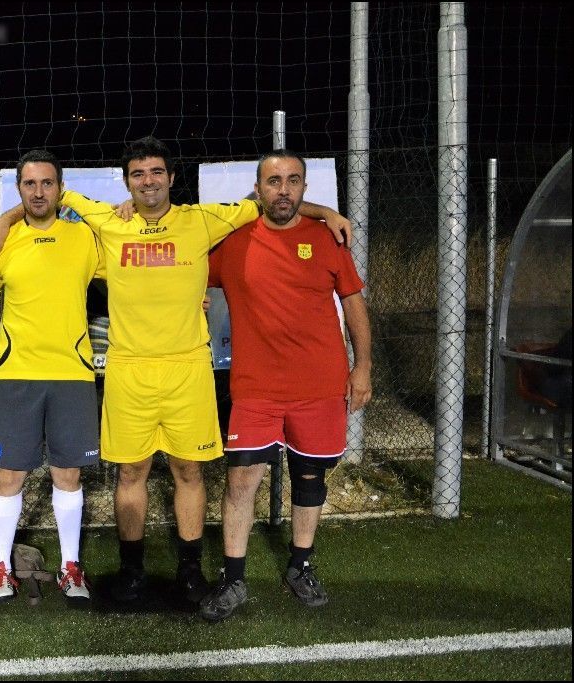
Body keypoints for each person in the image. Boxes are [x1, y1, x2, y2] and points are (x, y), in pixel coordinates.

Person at [0, 137, 351, 605]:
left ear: (172, 178)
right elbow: (40, 202)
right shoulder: (105, 221)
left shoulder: (200, 221)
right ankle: (132, 570)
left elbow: (274, 201)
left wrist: (325, 214)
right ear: (127, 181)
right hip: (129, 369)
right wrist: (3, 218)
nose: (148, 181)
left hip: (188, 369)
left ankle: (190, 570)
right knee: (132, 471)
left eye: (157, 172)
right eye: (138, 174)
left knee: (188, 470)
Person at [198, 150, 372, 622]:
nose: (284, 190)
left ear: (304, 187)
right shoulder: (232, 242)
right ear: (257, 189)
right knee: (241, 481)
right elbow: (184, 264)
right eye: (273, 181)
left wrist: (364, 368)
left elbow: (354, 305)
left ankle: (300, 565)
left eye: (293, 181)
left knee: (310, 479)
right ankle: (233, 580)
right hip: (255, 390)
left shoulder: (326, 239)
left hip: (319, 386)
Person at [0, 150, 105, 604]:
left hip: (72, 374)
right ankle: (0, 568)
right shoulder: (3, 240)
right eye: (29, 184)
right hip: (16, 375)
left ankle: (71, 566)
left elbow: (133, 271)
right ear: (18, 189)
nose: (38, 191)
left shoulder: (85, 239)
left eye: (47, 183)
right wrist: (5, 222)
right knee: (9, 475)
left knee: (67, 473)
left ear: (60, 186)